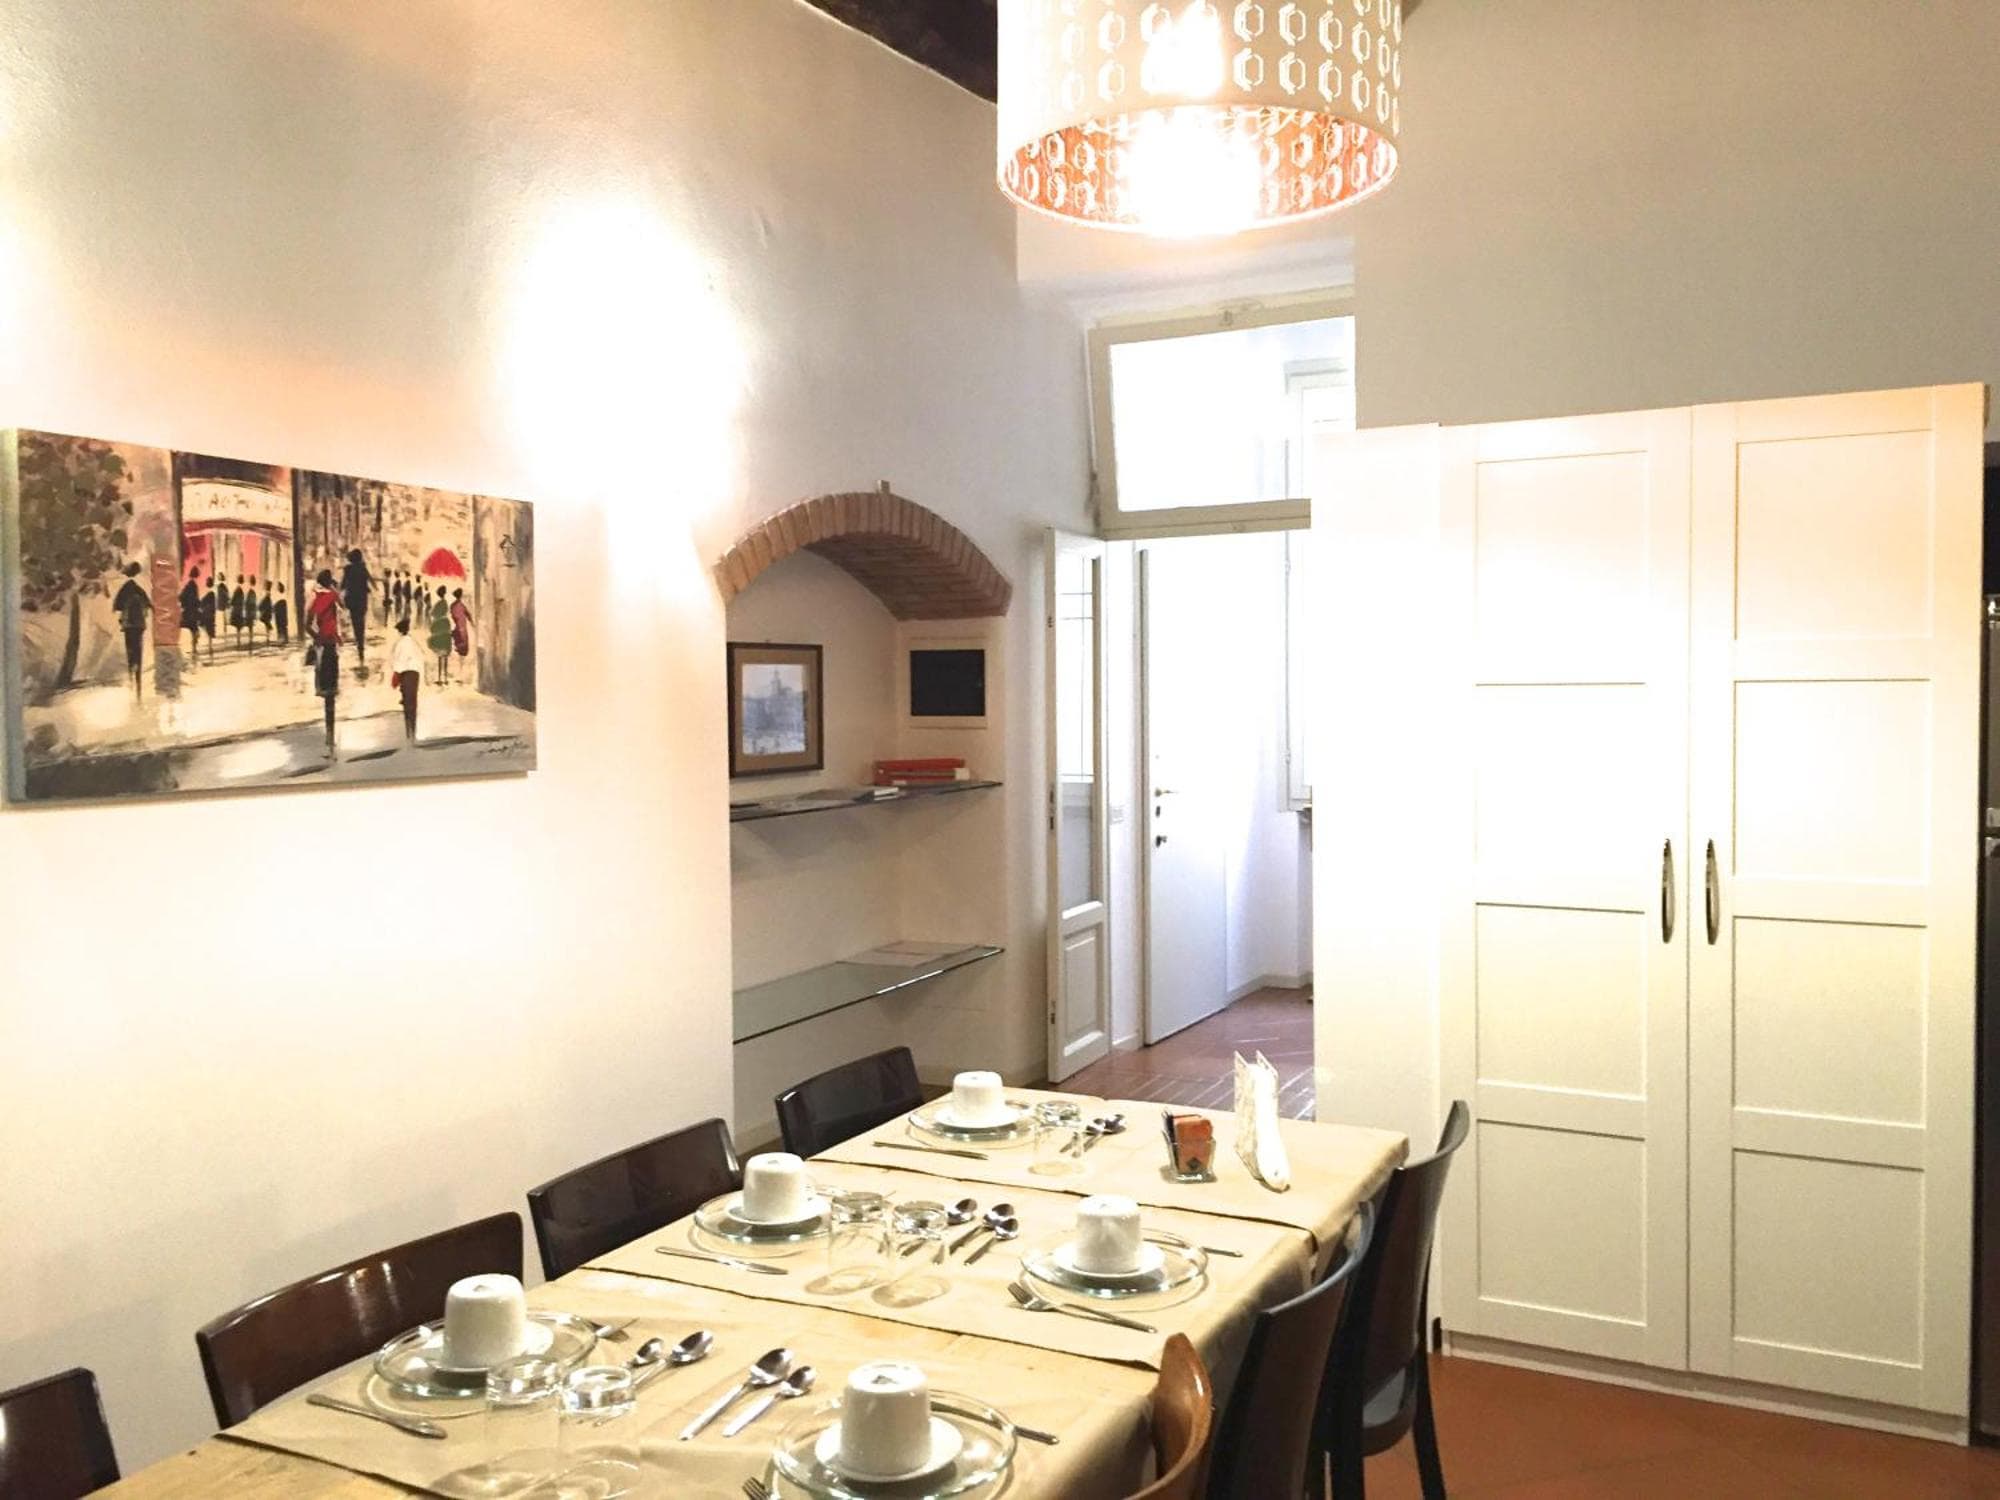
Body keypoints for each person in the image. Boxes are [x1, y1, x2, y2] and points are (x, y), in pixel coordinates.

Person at [305, 568, 344, 754]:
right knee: (331, 694)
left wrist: (317, 637)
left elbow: (307, 623)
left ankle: (329, 736)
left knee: (325, 691)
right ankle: (330, 735)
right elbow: (343, 605)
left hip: (321, 646)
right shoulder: (332, 596)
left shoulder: (314, 597)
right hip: (331, 646)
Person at [111, 561, 150, 701]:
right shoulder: (140, 588)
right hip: (139, 625)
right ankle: (138, 682)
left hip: (129, 625)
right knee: (138, 651)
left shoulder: (125, 588)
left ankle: (131, 679)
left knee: (130, 651)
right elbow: (148, 604)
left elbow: (117, 606)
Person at [388, 616, 425, 743]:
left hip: (406, 673)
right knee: (412, 702)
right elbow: (420, 657)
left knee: (408, 703)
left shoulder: (401, 643)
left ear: (400, 631)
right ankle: (412, 731)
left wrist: (396, 676)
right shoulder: (413, 642)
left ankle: (409, 732)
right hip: (415, 673)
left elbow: (400, 661)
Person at [340, 548, 373, 667]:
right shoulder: (363, 568)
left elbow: (343, 584)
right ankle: (361, 645)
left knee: (355, 622)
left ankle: (359, 643)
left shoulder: (348, 569)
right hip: (362, 600)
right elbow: (370, 580)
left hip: (352, 600)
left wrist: (339, 591)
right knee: (361, 622)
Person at [427, 585, 453, 686]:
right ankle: (445, 678)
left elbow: (432, 614)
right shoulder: (445, 607)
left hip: (439, 632)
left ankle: (440, 678)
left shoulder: (439, 605)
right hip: (445, 633)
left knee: (439, 657)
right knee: (445, 657)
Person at [178, 566, 201, 663]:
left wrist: (184, 605)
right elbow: (195, 600)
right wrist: (198, 605)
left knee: (192, 631)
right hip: (192, 612)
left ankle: (192, 649)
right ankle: (193, 649)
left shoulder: (188, 585)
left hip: (188, 612)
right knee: (194, 631)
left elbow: (180, 597)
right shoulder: (193, 585)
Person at [449, 587, 472, 677]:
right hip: (462, 629)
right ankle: (461, 672)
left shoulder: (452, 606)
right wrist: (472, 623)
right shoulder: (462, 606)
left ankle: (459, 672)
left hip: (457, 628)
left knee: (458, 649)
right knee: (462, 652)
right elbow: (469, 616)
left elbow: (452, 616)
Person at [199, 573, 218, 661]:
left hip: (206, 614)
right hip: (211, 614)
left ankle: (209, 646)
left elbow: (201, 602)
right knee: (210, 630)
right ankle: (210, 646)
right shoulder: (213, 593)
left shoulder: (208, 593)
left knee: (205, 628)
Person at [273, 581, 290, 646]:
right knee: (283, 626)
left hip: (280, 615)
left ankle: (281, 640)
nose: (276, 588)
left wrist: (275, 608)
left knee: (281, 627)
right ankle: (285, 639)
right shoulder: (283, 597)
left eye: (278, 587)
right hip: (281, 614)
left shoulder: (280, 597)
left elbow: (277, 606)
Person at [257, 580, 274, 645]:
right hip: (267, 611)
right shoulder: (268, 592)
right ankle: (268, 638)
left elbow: (264, 601)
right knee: (267, 624)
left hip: (266, 611)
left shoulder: (267, 593)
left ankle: (268, 637)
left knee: (266, 622)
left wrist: (260, 605)